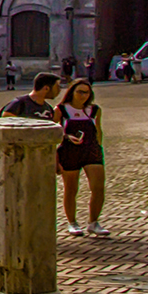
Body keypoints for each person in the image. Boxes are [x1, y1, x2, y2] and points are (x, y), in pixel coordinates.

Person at [55, 79, 107, 237]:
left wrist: (98, 146)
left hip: (91, 151)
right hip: (69, 151)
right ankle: (72, 222)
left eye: (87, 92)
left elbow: (98, 130)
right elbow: (52, 131)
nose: (83, 96)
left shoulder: (94, 110)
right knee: (71, 189)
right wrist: (65, 138)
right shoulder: (61, 109)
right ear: (72, 92)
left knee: (98, 187)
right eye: (80, 92)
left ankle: (93, 222)